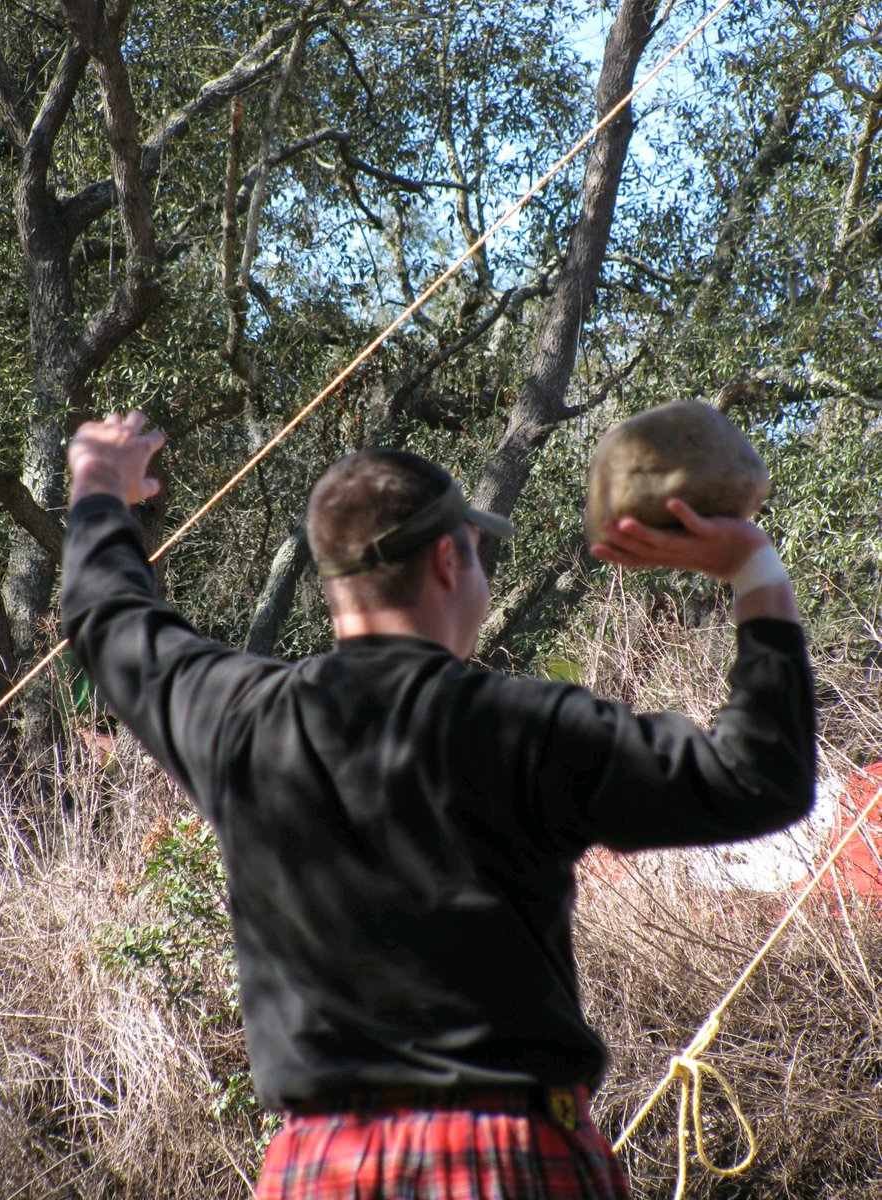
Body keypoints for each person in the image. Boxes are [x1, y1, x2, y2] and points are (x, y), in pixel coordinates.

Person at [62, 411, 815, 1200]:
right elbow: (759, 778)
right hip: (509, 1156)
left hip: (321, 1168)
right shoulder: (531, 727)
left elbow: (105, 615)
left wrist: (99, 489)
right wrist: (753, 570)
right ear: (451, 559)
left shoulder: (236, 716)